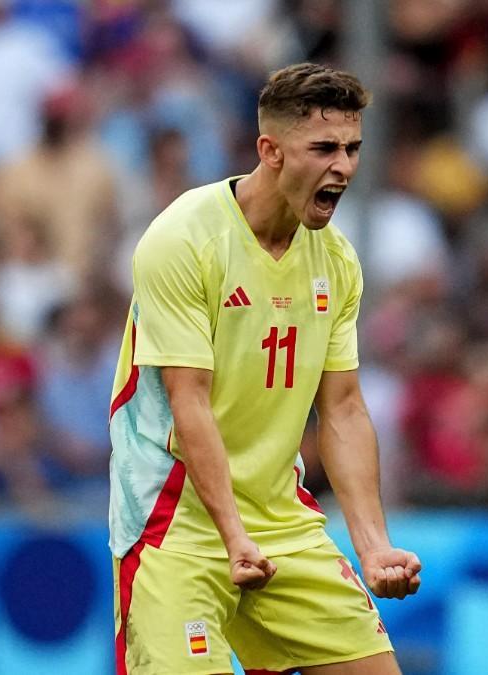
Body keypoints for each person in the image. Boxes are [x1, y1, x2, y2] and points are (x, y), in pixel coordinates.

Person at [109, 63, 421, 675]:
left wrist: (373, 545)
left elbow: (344, 409)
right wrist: (233, 537)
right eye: (325, 148)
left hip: (282, 519)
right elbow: (188, 402)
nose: (346, 167)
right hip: (176, 526)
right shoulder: (183, 239)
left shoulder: (336, 260)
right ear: (270, 151)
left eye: (353, 148)